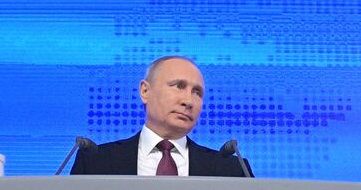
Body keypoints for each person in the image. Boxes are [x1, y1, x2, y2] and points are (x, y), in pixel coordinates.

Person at [70, 56, 251, 176]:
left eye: (197, 92)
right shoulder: (95, 162)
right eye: (178, 86)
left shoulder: (232, 169)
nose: (188, 101)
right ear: (145, 91)